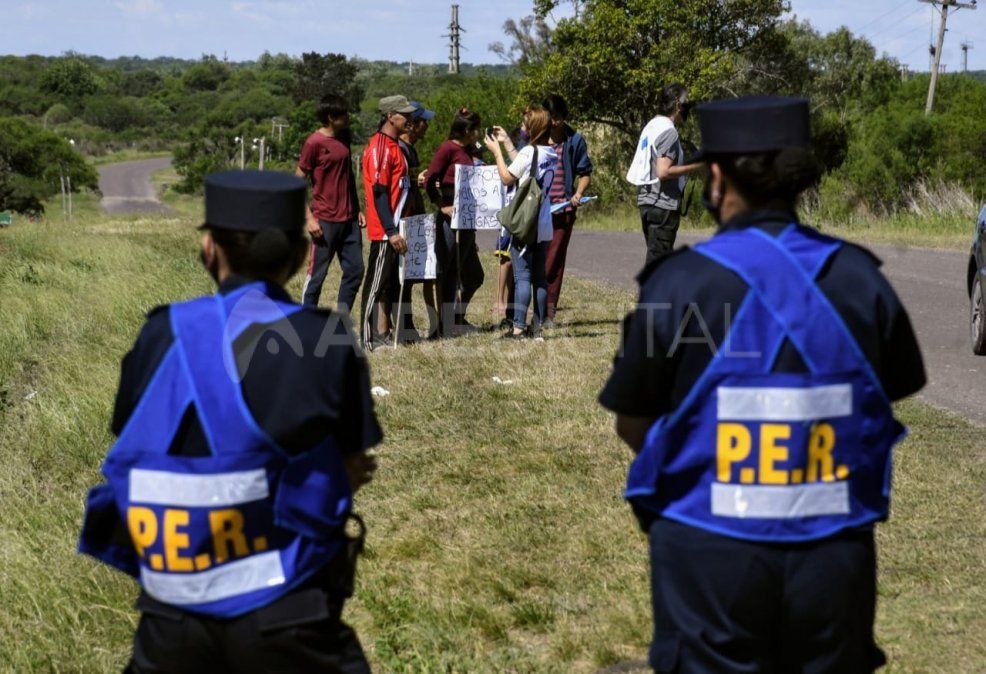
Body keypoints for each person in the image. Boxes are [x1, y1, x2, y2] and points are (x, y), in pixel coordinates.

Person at [599, 96, 927, 672]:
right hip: (832, 555)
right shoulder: (860, 278)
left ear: (716, 178)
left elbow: (632, 420)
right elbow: (892, 391)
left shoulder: (677, 284)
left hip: (708, 552)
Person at [78, 170, 382, 673]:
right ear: (299, 255)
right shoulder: (325, 339)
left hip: (170, 615)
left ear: (209, 248)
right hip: (289, 607)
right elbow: (352, 466)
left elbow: (134, 443)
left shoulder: (160, 332)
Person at [485, 105, 557, 340]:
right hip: (543, 223)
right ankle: (537, 327)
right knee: (540, 278)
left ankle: (518, 328)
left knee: (523, 277)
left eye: (526, 124)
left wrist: (497, 152)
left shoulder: (529, 152)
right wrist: (507, 142)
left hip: (526, 224)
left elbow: (508, 177)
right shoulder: (550, 153)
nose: (523, 128)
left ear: (534, 128)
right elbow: (527, 168)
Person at [296, 94, 365, 314]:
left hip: (350, 220)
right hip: (324, 220)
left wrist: (357, 208)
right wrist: (309, 219)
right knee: (317, 276)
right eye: (343, 114)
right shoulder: (313, 143)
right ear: (330, 117)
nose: (347, 117)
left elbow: (347, 176)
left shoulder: (344, 138)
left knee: (355, 271)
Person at [424, 107, 486, 336]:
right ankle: (444, 325)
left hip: (468, 218)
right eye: (476, 128)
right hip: (450, 218)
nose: (478, 132)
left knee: (474, 275)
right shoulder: (447, 148)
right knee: (449, 271)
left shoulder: (470, 150)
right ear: (467, 130)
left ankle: (456, 317)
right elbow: (430, 179)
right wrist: (442, 205)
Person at [627, 83, 703, 267]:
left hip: (647, 202)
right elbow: (663, 171)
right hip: (662, 206)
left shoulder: (651, 126)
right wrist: (695, 166)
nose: (687, 107)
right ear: (677, 105)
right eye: (686, 102)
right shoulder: (669, 131)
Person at [360, 95, 413, 350]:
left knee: (388, 284)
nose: (410, 119)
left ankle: (381, 333)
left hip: (395, 226)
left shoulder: (394, 145)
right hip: (385, 231)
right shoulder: (380, 146)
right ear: (391, 116)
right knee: (375, 284)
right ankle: (367, 338)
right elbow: (379, 192)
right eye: (405, 115)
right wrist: (391, 231)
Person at [541, 94, 593, 327]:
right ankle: (520, 311)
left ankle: (547, 312)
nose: (555, 122)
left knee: (554, 261)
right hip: (537, 210)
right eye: (551, 117)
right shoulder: (536, 137)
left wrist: (578, 193)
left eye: (559, 117)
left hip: (563, 210)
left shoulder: (575, 140)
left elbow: (585, 172)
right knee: (533, 261)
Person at [392, 100, 439, 341]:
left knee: (408, 276)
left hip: (413, 219)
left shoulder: (411, 149)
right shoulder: (398, 149)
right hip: (400, 221)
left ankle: (407, 326)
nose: (426, 127)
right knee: (399, 278)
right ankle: (401, 328)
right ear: (412, 124)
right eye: (424, 122)